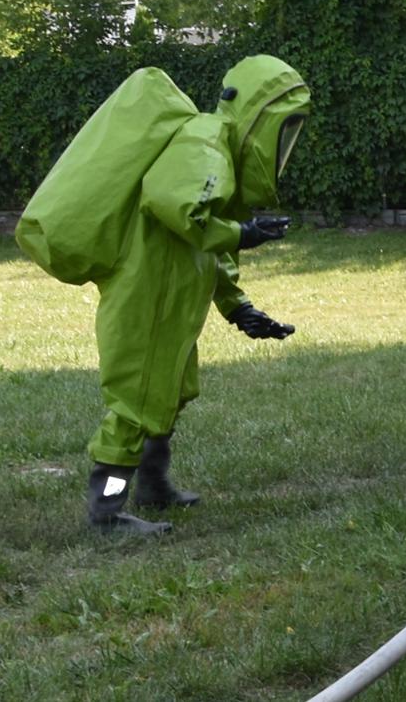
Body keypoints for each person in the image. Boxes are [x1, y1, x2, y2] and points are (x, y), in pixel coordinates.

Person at [85, 56, 311, 534]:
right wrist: (243, 232)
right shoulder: (203, 142)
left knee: (168, 395)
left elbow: (207, 245)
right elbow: (180, 210)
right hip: (146, 298)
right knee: (134, 406)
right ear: (259, 116)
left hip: (170, 303)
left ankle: (153, 484)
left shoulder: (217, 151)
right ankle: (106, 510)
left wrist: (239, 308)